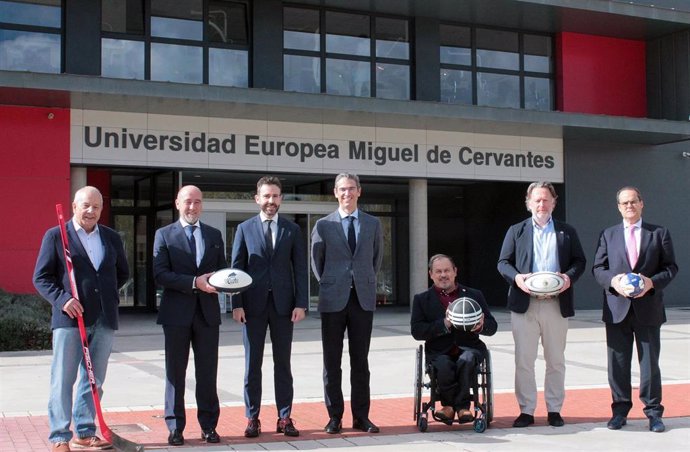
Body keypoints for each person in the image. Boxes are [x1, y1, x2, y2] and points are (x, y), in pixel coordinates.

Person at [33, 186, 129, 452]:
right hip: (70, 320)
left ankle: (85, 431)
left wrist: (104, 296)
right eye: (86, 205)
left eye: (96, 207)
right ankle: (59, 435)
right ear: (74, 206)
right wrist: (64, 299)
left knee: (94, 379)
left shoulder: (110, 237)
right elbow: (41, 278)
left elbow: (121, 273)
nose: (91, 211)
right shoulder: (56, 236)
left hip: (104, 318)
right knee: (63, 379)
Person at [497, 181, 586, 428]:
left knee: (555, 360)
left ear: (554, 203)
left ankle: (554, 409)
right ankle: (526, 410)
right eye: (537, 200)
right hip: (525, 305)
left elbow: (580, 261)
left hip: (556, 304)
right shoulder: (516, 231)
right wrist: (517, 278)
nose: (541, 204)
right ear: (528, 204)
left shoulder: (567, 232)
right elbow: (503, 262)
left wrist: (569, 277)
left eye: (546, 199)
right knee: (524, 361)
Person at [592, 186, 678, 433]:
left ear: (642, 203)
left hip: (648, 308)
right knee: (617, 363)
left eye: (633, 202)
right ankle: (619, 411)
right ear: (618, 207)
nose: (629, 206)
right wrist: (614, 282)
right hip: (617, 308)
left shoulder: (659, 233)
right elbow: (598, 269)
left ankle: (653, 413)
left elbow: (671, 267)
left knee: (650, 363)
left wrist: (652, 283)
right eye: (624, 203)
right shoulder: (608, 235)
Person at [230, 176, 308, 438]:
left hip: (284, 307)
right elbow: (236, 270)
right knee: (252, 365)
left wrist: (301, 303)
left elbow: (299, 269)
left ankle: (284, 417)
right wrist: (237, 304)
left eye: (275, 196)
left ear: (281, 199)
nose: (271, 201)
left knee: (282, 364)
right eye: (266, 196)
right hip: (252, 307)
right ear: (257, 199)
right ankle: (252, 417)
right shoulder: (244, 229)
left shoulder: (292, 230)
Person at [153, 185, 227, 446]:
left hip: (207, 315)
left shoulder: (214, 235)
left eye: (197, 202)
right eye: (187, 202)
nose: (192, 207)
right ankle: (175, 427)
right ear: (177, 203)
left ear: (202, 205)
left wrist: (223, 283)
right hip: (176, 315)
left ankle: (209, 426)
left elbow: (222, 271)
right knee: (175, 373)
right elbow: (160, 274)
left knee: (208, 373)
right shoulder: (164, 235)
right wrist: (195, 282)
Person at [311, 173, 383, 434]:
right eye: (342, 189)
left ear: (359, 192)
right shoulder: (323, 225)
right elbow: (316, 262)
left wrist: (362, 281)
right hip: (333, 300)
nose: (347, 193)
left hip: (362, 299)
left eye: (351, 189)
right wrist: (332, 283)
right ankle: (335, 416)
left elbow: (376, 258)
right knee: (332, 362)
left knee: (360, 362)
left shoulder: (373, 223)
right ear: (335, 192)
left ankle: (361, 417)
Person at [411, 254, 497, 424]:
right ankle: (450, 406)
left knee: (467, 359)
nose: (443, 275)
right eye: (438, 271)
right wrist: (444, 324)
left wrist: (480, 325)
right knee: (443, 364)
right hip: (439, 351)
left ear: (455, 271)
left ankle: (460, 407)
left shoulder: (474, 295)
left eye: (447, 270)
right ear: (431, 274)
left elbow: (492, 326)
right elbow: (417, 331)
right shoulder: (422, 300)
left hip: (469, 348)